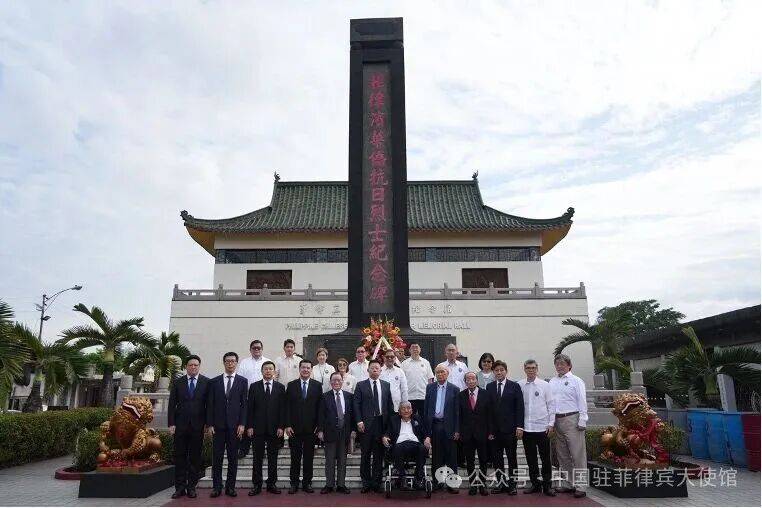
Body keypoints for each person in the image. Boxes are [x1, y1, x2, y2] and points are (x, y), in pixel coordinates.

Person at [206, 352, 248, 498]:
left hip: (234, 427)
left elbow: (244, 405)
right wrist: (210, 424)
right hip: (217, 427)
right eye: (228, 361)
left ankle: (230, 487)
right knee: (217, 458)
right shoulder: (214, 382)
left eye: (233, 361)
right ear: (224, 363)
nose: (230, 363)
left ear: (236, 363)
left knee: (232, 459)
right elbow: (210, 404)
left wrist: (242, 423)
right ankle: (217, 487)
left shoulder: (243, 381)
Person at [168, 355, 209, 499]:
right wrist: (171, 423)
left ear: (199, 366)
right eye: (190, 365)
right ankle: (179, 488)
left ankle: (191, 487)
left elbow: (209, 405)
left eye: (196, 365)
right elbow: (172, 404)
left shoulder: (206, 382)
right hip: (180, 426)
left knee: (194, 458)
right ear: (186, 366)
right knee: (179, 457)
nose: (193, 367)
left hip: (198, 426)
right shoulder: (178, 382)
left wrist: (208, 424)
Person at [549, 353, 588, 498]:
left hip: (572, 418)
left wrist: (583, 419)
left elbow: (582, 400)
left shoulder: (576, 380)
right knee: (562, 455)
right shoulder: (552, 382)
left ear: (569, 365)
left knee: (578, 454)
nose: (559, 366)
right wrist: (551, 422)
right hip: (557, 420)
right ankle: (568, 483)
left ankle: (581, 486)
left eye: (562, 364)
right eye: (557, 364)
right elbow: (550, 403)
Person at [353, 358, 394, 493]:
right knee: (365, 454)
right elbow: (356, 405)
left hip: (381, 424)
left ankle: (376, 483)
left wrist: (389, 426)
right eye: (372, 368)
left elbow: (389, 406)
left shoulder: (386, 385)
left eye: (377, 368)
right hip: (365, 425)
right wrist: (359, 421)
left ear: (380, 370)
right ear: (368, 370)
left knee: (378, 455)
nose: (375, 370)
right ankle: (366, 483)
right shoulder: (361, 385)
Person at [245, 360, 286, 496]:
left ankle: (271, 484)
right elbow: (250, 408)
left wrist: (281, 426)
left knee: (273, 458)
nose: (268, 371)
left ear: (274, 371)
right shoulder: (254, 386)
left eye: (270, 369)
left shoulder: (280, 387)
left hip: (274, 429)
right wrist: (249, 426)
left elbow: (282, 409)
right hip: (257, 429)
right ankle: (257, 485)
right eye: (266, 369)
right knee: (257, 458)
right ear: (262, 371)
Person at [486, 360, 524, 495]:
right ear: (493, 372)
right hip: (495, 431)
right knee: (497, 460)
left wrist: (520, 427)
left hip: (510, 430)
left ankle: (513, 485)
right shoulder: (489, 387)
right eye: (496, 370)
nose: (499, 372)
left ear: (506, 371)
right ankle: (501, 483)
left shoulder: (515, 386)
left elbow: (520, 408)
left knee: (512, 458)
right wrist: (489, 430)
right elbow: (488, 410)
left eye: (501, 370)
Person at [519, 359, 556, 497]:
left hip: (542, 428)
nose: (531, 370)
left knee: (545, 458)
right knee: (531, 459)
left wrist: (551, 424)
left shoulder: (545, 385)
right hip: (527, 428)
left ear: (537, 369)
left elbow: (551, 405)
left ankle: (547, 485)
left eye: (533, 368)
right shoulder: (520, 385)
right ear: (524, 369)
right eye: (528, 368)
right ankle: (535, 484)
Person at [284, 359, 322, 494]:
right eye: (303, 367)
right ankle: (294, 483)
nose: (305, 370)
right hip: (294, 429)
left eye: (308, 368)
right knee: (295, 458)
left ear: (311, 370)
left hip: (311, 429)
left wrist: (319, 426)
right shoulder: (291, 385)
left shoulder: (317, 385)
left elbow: (320, 407)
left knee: (308, 458)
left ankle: (307, 483)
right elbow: (287, 406)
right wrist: (287, 425)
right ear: (299, 369)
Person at [424, 364, 460, 494]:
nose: (440, 374)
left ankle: (452, 484)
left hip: (450, 426)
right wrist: (427, 431)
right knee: (437, 457)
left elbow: (457, 412)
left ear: (447, 373)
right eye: (437, 372)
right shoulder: (430, 387)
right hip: (435, 425)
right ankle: (437, 482)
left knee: (451, 457)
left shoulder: (455, 389)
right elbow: (426, 409)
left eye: (442, 372)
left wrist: (457, 430)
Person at [317, 372, 354, 494]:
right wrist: (320, 430)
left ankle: (341, 485)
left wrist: (353, 430)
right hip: (329, 433)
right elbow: (321, 415)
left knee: (342, 461)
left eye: (338, 380)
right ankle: (329, 485)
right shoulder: (325, 396)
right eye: (334, 380)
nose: (336, 382)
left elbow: (352, 415)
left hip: (344, 433)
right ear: (330, 382)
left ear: (342, 381)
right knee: (330, 460)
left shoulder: (349, 396)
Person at [382, 401, 429, 490]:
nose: (406, 410)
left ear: (412, 410)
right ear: (399, 412)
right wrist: (385, 437)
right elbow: (387, 432)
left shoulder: (417, 419)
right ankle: (402, 478)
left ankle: (418, 479)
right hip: (400, 445)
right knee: (397, 448)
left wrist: (427, 438)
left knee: (422, 448)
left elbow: (425, 433)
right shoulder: (393, 420)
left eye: (408, 408)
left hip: (415, 444)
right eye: (403, 408)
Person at [237, 339, 271, 458]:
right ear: (250, 350)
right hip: (248, 397)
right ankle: (244, 449)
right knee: (248, 422)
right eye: (254, 348)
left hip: (264, 398)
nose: (257, 349)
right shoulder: (244, 362)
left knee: (264, 423)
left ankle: (264, 450)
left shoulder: (267, 361)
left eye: (259, 348)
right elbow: (240, 380)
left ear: (262, 349)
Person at [458, 371, 490, 496]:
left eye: (473, 379)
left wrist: (490, 431)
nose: (470, 381)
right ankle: (472, 485)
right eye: (468, 379)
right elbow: (459, 415)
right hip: (467, 434)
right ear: (465, 382)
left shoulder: (485, 394)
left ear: (477, 380)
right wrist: (459, 431)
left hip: (483, 433)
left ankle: (482, 484)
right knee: (470, 462)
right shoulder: (460, 395)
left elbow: (490, 414)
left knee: (483, 460)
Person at [401, 343, 434, 417]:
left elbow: (430, 379)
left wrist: (430, 394)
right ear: (409, 350)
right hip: (409, 397)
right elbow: (401, 381)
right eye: (413, 348)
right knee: (410, 418)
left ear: (420, 349)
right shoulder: (404, 364)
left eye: (417, 347)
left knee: (424, 418)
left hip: (423, 396)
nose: (415, 349)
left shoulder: (426, 362)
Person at [379, 349, 408, 413]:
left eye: (392, 357)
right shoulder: (379, 371)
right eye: (387, 357)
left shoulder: (400, 371)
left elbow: (404, 389)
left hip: (397, 407)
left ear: (395, 358)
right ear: (384, 358)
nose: (389, 358)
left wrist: (404, 404)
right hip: (382, 407)